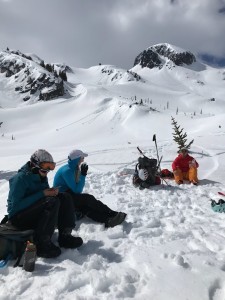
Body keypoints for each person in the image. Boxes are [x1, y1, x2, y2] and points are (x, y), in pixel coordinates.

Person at [6, 149, 83, 259]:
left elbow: (43, 197)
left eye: (49, 168)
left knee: (65, 197)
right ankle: (43, 245)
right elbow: (14, 208)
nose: (46, 172)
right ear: (34, 165)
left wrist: (51, 193)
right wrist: (43, 194)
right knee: (52, 202)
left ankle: (65, 236)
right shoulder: (20, 179)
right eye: (45, 168)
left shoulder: (41, 176)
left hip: (33, 213)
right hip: (18, 219)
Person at [53, 149, 127, 228]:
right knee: (88, 199)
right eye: (82, 158)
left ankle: (108, 220)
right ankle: (112, 214)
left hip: (67, 195)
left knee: (84, 207)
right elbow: (77, 190)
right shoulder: (67, 171)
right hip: (62, 198)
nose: (83, 160)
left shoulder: (73, 168)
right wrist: (83, 175)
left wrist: (81, 174)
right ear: (77, 159)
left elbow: (76, 187)